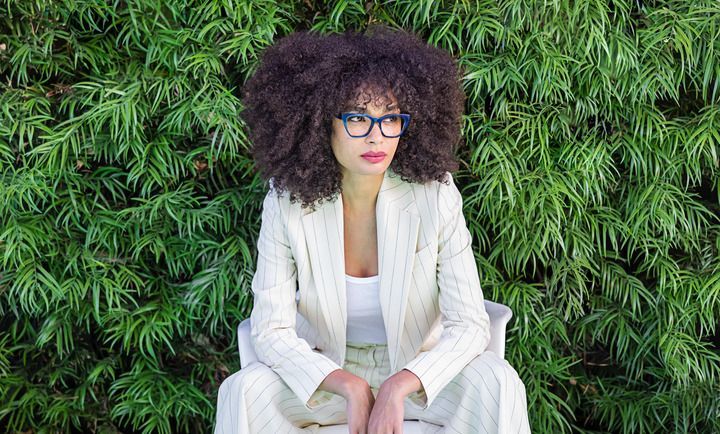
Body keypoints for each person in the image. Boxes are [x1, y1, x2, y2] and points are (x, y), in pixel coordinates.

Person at [215, 26, 531, 434]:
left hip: (418, 372)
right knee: (243, 390)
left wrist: (401, 385)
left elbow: (469, 324)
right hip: (327, 375)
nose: (376, 136)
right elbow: (271, 330)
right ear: (319, 123)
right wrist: (348, 386)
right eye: (358, 118)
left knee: (498, 382)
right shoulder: (286, 203)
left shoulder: (434, 196)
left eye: (390, 119)